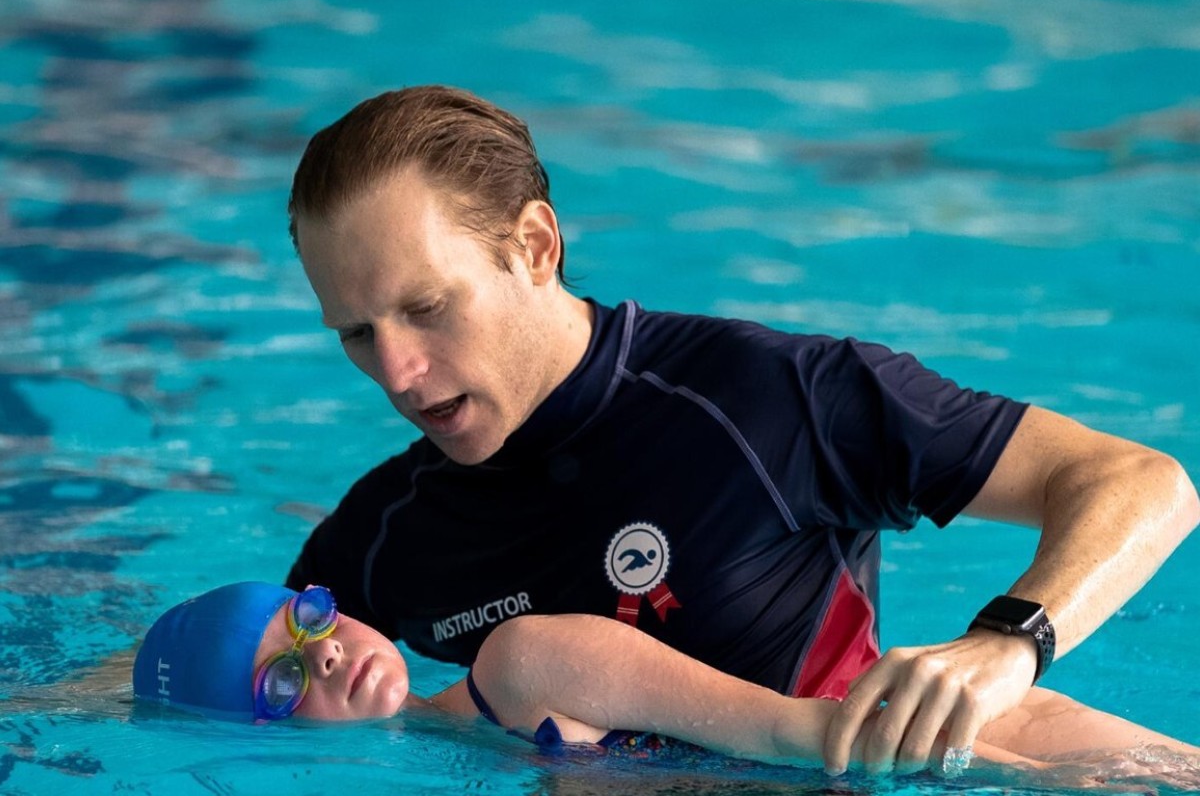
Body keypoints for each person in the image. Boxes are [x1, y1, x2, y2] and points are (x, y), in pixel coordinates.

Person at [281, 84, 1200, 775]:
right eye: (357, 334)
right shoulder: (386, 531)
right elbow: (199, 675)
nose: (396, 372)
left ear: (533, 247)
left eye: (428, 308)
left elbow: (1140, 484)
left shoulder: (765, 398)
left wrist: (1004, 646)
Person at [130, 582, 1199, 787]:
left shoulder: (521, 666)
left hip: (971, 737)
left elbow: (808, 735)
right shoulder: (474, 746)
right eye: (280, 681)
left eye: (307, 619)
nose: (322, 654)